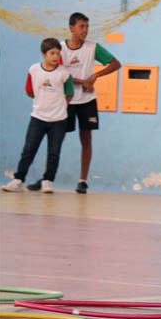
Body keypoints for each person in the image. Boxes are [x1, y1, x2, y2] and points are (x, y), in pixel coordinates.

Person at [58, 12, 121, 194]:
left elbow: (116, 64)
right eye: (81, 27)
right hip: (68, 100)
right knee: (57, 139)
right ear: (71, 28)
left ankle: (83, 180)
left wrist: (94, 76)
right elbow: (58, 72)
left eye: (87, 27)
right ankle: (48, 176)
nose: (85, 30)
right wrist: (81, 82)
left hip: (87, 101)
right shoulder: (60, 49)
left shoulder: (93, 47)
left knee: (86, 139)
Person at [2, 38, 73, 193]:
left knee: (54, 152)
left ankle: (48, 181)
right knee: (29, 150)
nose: (55, 56)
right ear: (43, 54)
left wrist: (57, 107)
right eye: (52, 53)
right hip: (38, 118)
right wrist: (42, 102)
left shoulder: (64, 73)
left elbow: (69, 94)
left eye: (57, 53)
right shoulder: (33, 70)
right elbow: (29, 90)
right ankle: (18, 180)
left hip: (59, 120)